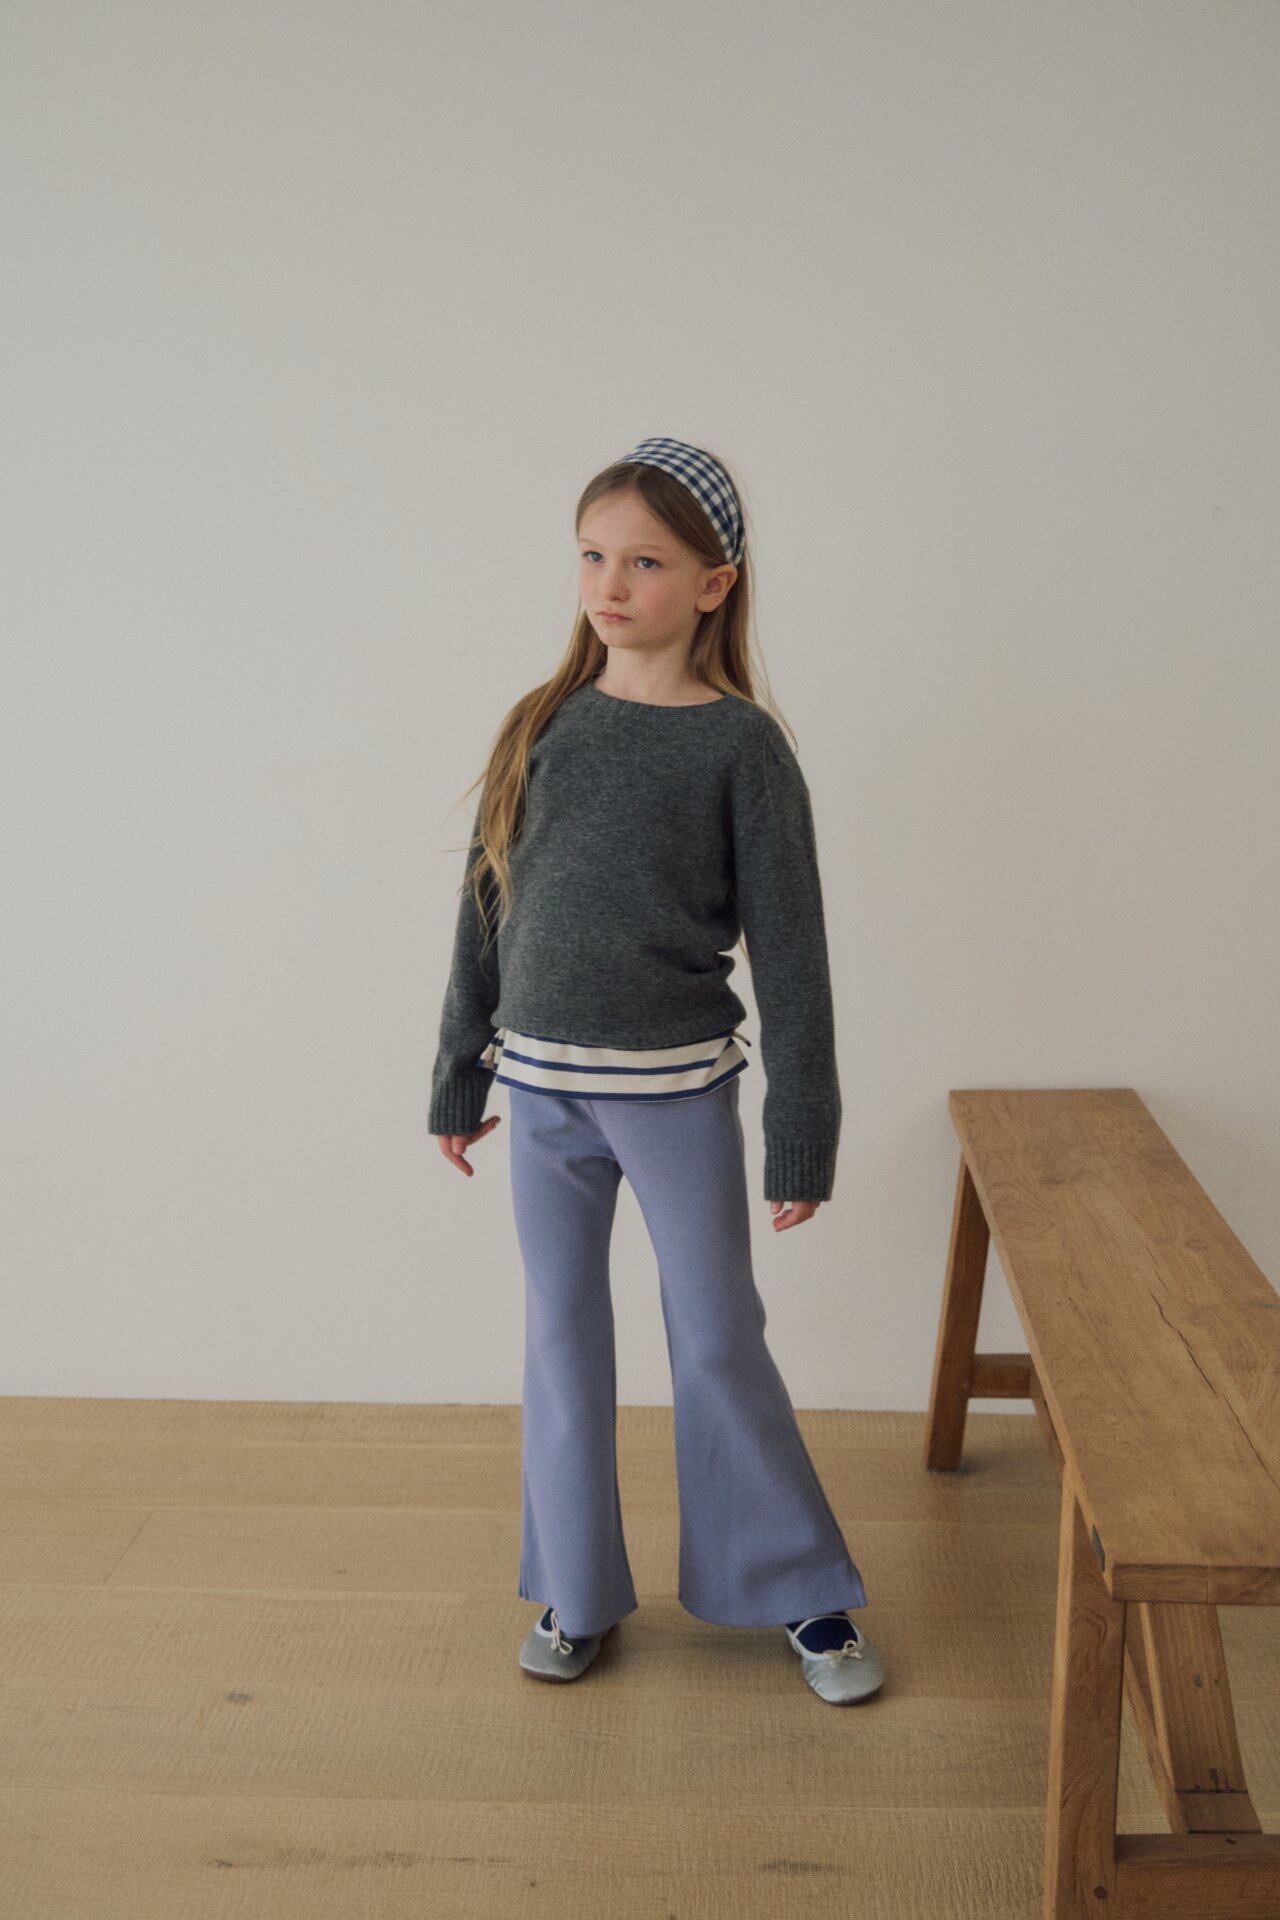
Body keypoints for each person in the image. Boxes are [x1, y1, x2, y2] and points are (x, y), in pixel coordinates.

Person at [428, 437, 884, 1706]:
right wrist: (457, 1075)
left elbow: (793, 955)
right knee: (560, 1339)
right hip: (542, 1096)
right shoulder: (539, 726)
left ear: (712, 584)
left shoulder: (741, 749)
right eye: (592, 556)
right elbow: (482, 911)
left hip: (677, 1099)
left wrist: (801, 1130)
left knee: (716, 1340)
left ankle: (796, 1588)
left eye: (643, 562)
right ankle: (574, 1591)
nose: (608, 584)